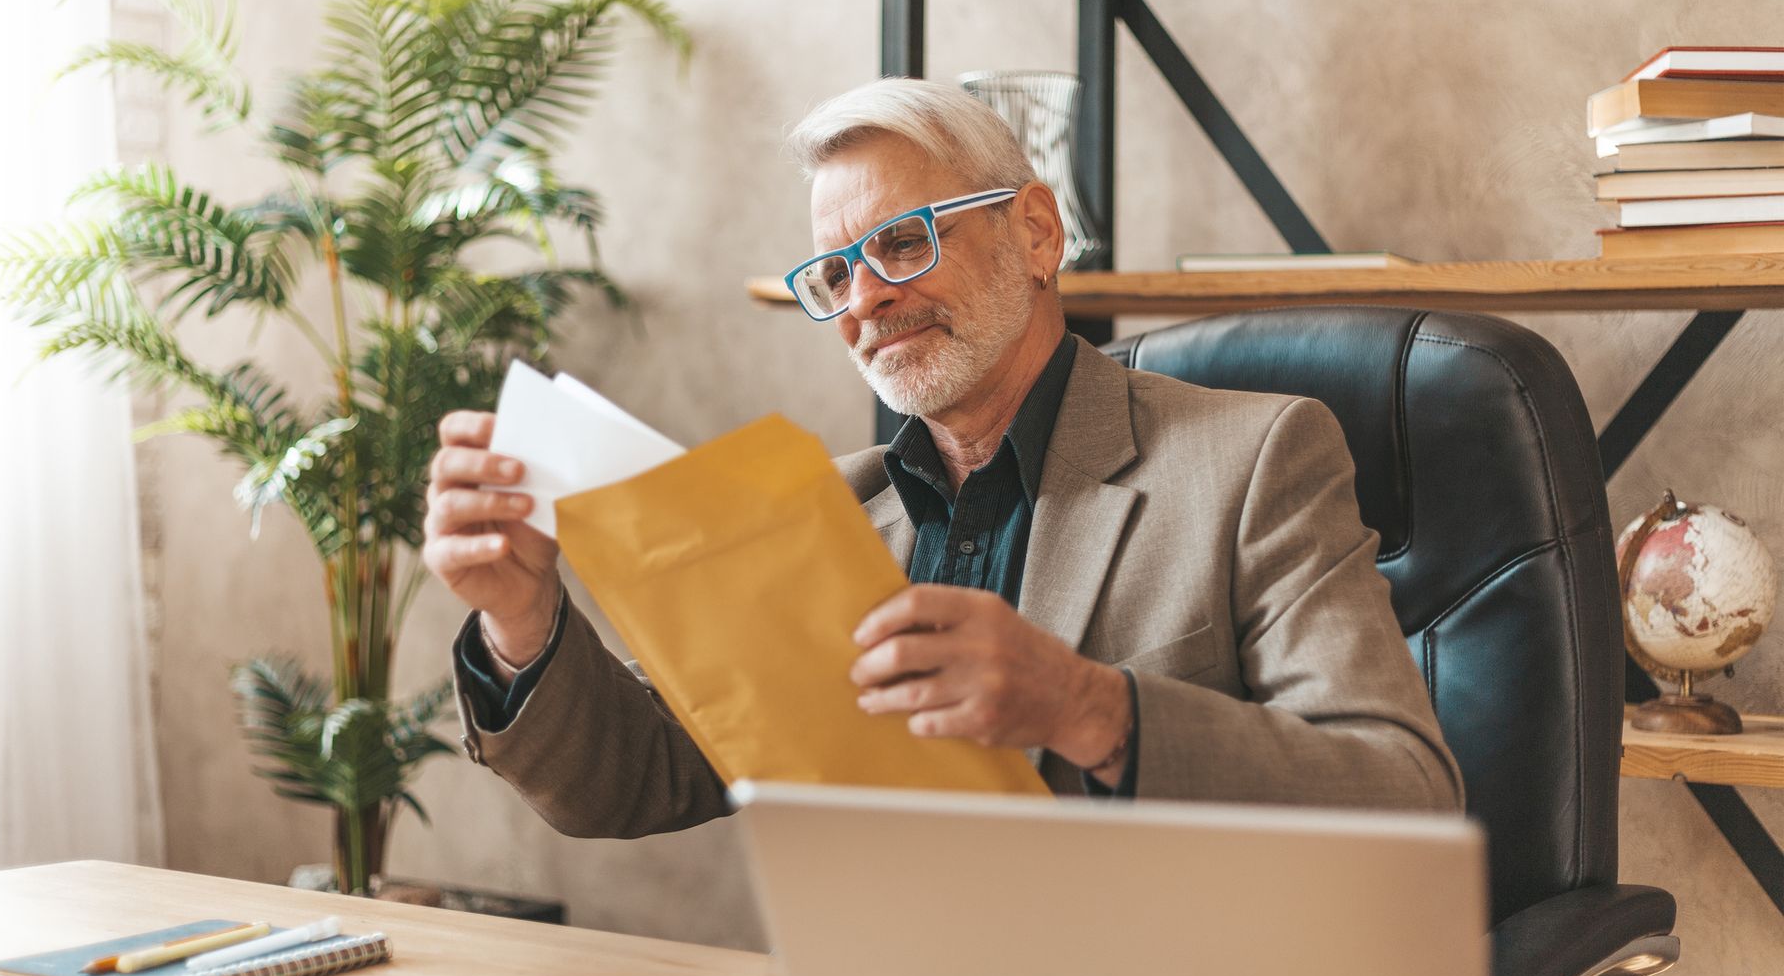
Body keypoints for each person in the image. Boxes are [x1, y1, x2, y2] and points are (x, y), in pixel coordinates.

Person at [424, 78, 1462, 838]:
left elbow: (1405, 789)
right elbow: (639, 777)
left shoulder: (1254, 460)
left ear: (1038, 234)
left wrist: (1087, 707)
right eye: (833, 273)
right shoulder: (825, 512)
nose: (866, 295)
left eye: (906, 241)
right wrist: (521, 620)